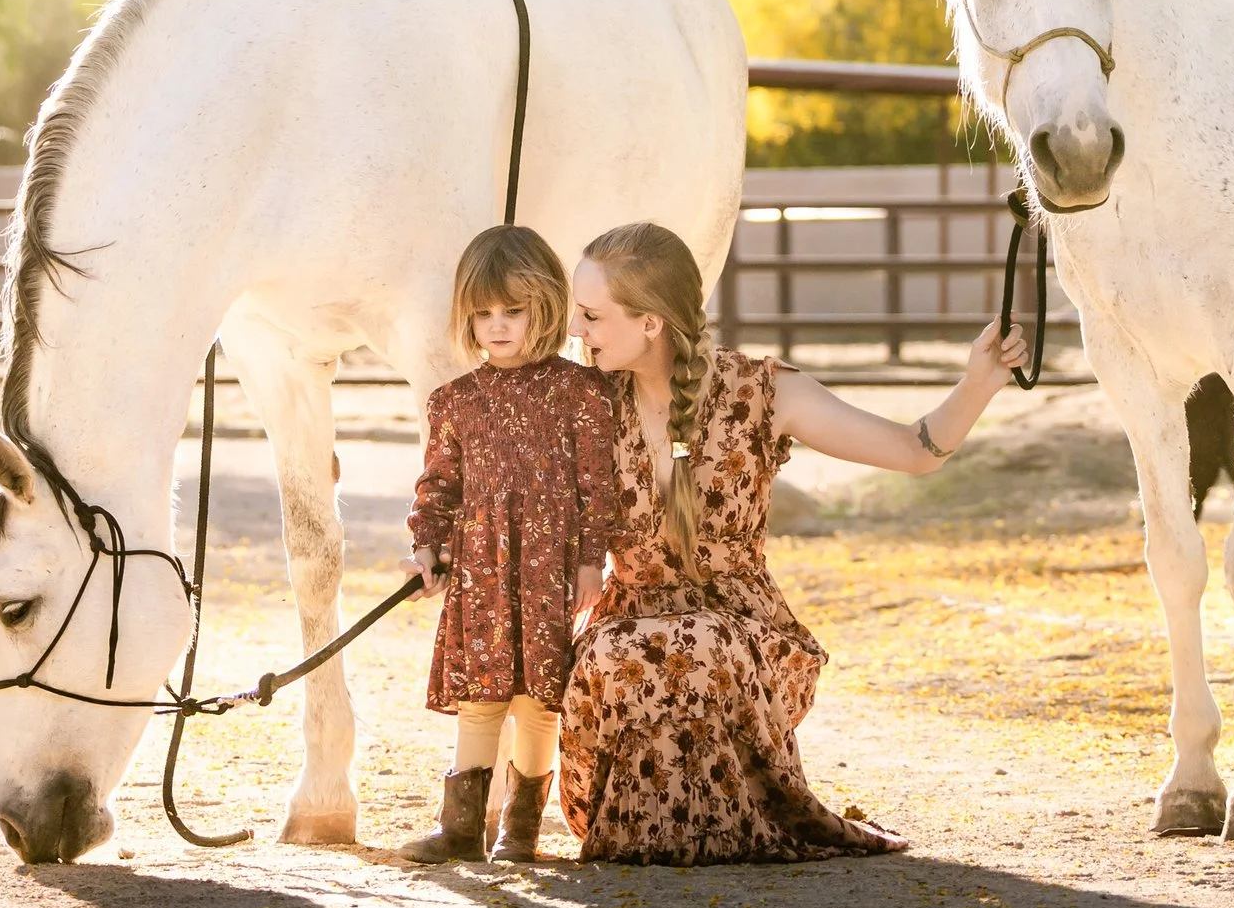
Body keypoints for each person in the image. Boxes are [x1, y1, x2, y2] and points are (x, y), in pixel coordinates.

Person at [559, 220, 1027, 865]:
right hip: (628, 616)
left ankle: (702, 836)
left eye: (589, 315)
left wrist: (979, 381)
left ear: (651, 322)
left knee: (700, 645)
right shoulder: (579, 400)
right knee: (620, 649)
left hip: (743, 626)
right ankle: (656, 836)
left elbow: (912, 451)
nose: (576, 332)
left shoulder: (763, 390)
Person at [398, 224, 617, 864]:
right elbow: (436, 488)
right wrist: (426, 548)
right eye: (483, 313)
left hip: (552, 570)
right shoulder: (455, 402)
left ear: (544, 307)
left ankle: (520, 833)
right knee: (482, 695)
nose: (497, 326)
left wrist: (588, 562)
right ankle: (460, 831)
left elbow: (596, 486)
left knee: (538, 699)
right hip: (482, 572)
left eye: (513, 312)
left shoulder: (582, 393)